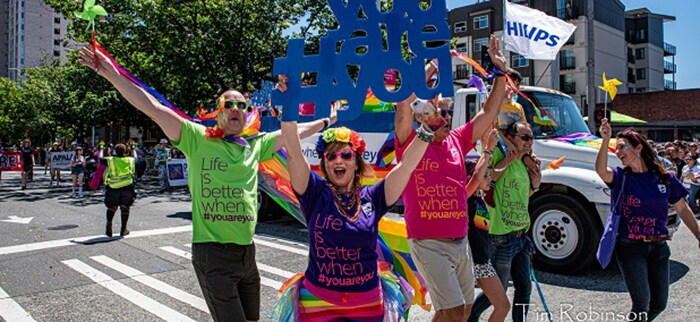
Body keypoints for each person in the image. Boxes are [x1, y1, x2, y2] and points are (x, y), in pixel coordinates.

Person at [78, 43, 337, 321]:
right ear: (219, 112)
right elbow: (152, 107)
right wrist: (110, 73)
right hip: (212, 256)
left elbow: (293, 133)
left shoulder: (254, 145)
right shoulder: (196, 138)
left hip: (247, 255)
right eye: (230, 104)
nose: (237, 109)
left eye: (242, 105)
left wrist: (327, 121)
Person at [272, 98, 433, 320]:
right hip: (318, 300)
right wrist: (288, 102)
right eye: (331, 155)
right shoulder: (314, 193)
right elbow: (294, 153)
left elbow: (406, 167)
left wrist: (428, 129)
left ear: (356, 162)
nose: (338, 160)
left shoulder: (373, 197)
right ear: (325, 163)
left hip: (366, 302)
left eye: (346, 155)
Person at [394, 34, 510, 322]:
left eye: (447, 112)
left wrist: (500, 72)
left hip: (461, 242)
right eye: (438, 112)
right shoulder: (409, 142)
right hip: (427, 241)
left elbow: (489, 111)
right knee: (455, 312)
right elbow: (403, 103)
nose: (444, 116)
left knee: (461, 311)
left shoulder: (458, 140)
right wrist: (434, 65)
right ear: (423, 116)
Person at [596, 120, 700, 321]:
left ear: (638, 147)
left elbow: (682, 208)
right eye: (615, 149)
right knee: (641, 304)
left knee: (659, 304)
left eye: (622, 147)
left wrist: (698, 234)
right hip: (629, 248)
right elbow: (601, 171)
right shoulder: (621, 177)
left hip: (659, 248)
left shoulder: (664, 178)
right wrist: (605, 140)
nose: (618, 152)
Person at [469, 122, 541, 322]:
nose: (529, 142)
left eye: (531, 138)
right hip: (501, 237)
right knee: (497, 292)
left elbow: (521, 196)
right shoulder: (501, 156)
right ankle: (471, 317)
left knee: (524, 288)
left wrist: (535, 186)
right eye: (524, 138)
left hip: (521, 236)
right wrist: (507, 161)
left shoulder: (527, 164)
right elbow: (487, 182)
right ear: (511, 138)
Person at [465, 129, 510, 322]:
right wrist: (487, 149)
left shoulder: (481, 198)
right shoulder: (464, 200)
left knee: (503, 305)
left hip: (483, 262)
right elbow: (477, 176)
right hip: (467, 262)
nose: (488, 178)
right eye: (485, 176)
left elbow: (496, 171)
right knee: (457, 313)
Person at [101, 143, 137, 236]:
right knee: (125, 208)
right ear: (125, 151)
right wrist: (133, 149)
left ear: (114, 151)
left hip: (113, 186)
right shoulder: (130, 160)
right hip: (127, 186)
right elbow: (137, 160)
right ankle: (123, 229)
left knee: (112, 207)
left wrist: (102, 149)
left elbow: (101, 159)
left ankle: (109, 224)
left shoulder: (110, 160)